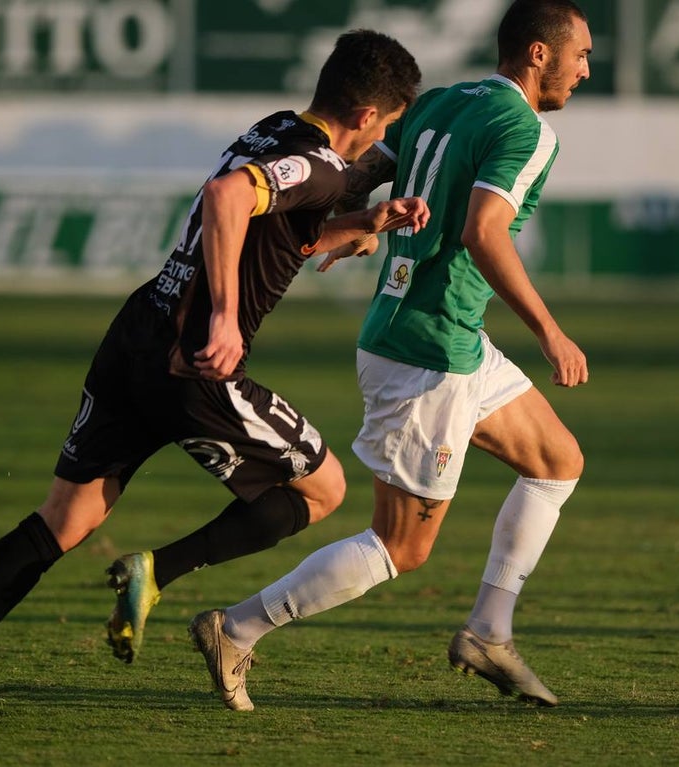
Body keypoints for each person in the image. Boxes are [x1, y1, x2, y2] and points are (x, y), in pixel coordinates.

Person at [0, 29, 425, 733]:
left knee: (64, 520)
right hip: (194, 360)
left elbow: (278, 222)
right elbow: (227, 197)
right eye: (386, 126)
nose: (379, 141)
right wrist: (229, 316)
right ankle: (159, 571)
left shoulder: (274, 129)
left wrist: (361, 222)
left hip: (136, 336)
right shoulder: (320, 163)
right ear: (365, 117)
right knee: (323, 489)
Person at [189, 0, 591, 712]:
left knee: (557, 460)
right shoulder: (527, 130)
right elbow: (483, 232)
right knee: (400, 546)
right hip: (427, 351)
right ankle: (235, 627)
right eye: (579, 55)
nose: (585, 69)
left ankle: (489, 631)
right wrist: (550, 331)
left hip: (445, 337)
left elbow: (367, 167)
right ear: (537, 55)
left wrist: (357, 228)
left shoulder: (441, 101)